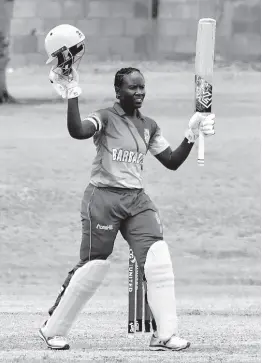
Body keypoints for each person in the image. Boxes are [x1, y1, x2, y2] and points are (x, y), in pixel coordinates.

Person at [39, 24, 215, 351]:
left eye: (142, 87)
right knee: (93, 266)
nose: (139, 92)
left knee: (158, 258)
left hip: (136, 201)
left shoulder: (149, 127)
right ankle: (53, 328)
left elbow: (172, 161)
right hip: (102, 198)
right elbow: (77, 131)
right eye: (132, 88)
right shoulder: (105, 118)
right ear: (118, 92)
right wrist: (73, 94)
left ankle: (163, 334)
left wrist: (192, 134)